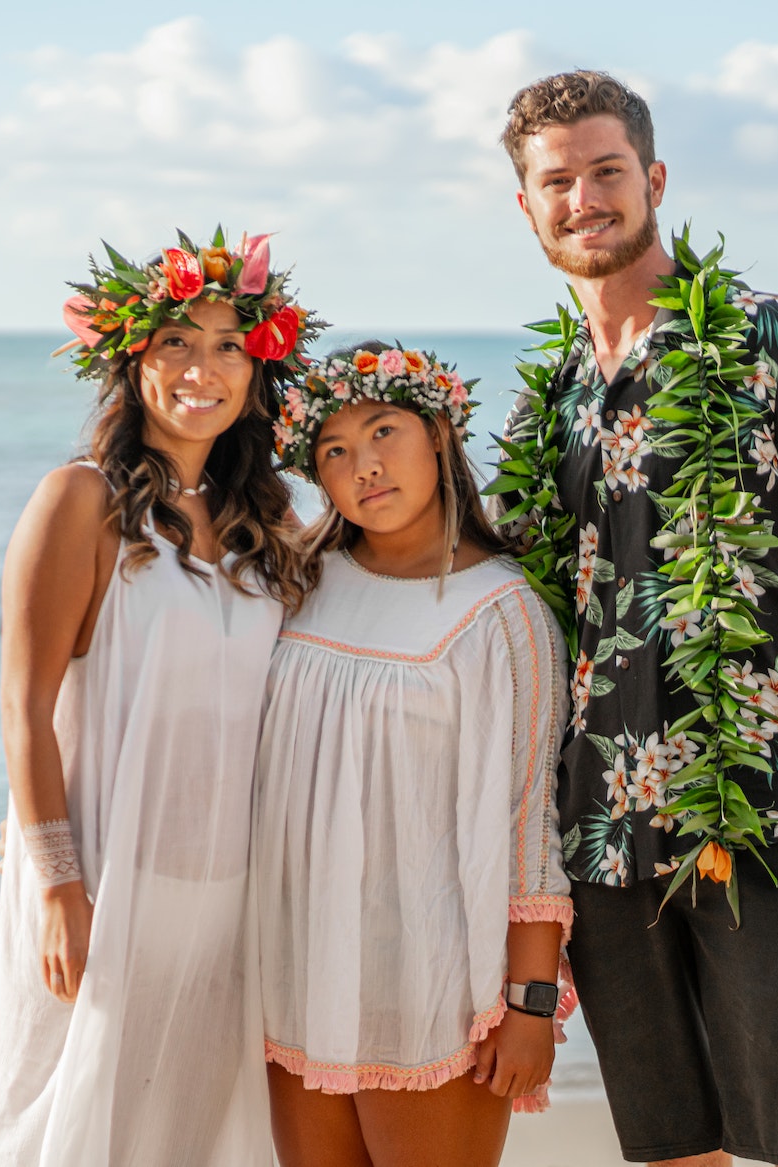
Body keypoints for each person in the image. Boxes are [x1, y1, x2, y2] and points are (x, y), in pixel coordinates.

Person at [493, 72, 778, 1167]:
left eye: (606, 172)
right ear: (527, 205)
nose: (584, 198)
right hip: (600, 838)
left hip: (773, 821)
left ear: (655, 180)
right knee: (671, 1151)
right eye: (557, 181)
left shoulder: (771, 338)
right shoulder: (551, 402)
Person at [0, 230, 322, 1166]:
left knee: (192, 1131)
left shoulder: (273, 521)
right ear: (132, 360)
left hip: (225, 894)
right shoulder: (77, 500)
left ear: (258, 369)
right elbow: (21, 705)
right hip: (103, 881)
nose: (202, 369)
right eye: (176, 343)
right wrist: (54, 881)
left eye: (227, 347)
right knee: (67, 1125)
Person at [251, 342, 573, 1167]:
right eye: (334, 451)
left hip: (430, 976)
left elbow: (530, 814)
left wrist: (530, 1004)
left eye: (384, 431)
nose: (364, 467)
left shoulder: (503, 611)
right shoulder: (297, 582)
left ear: (438, 432)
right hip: (296, 964)